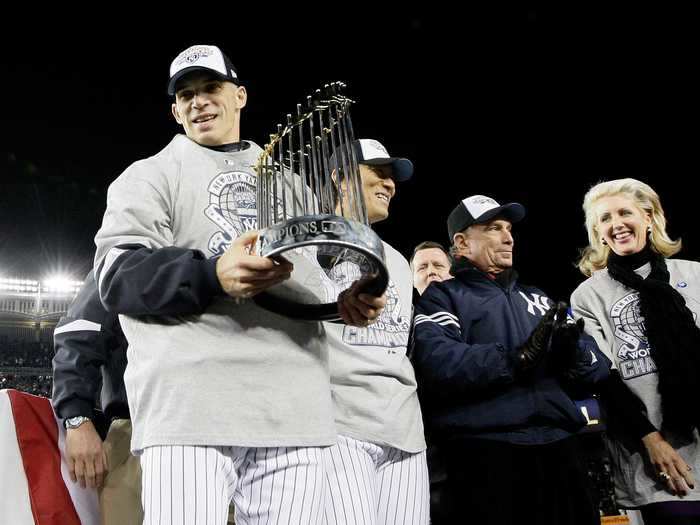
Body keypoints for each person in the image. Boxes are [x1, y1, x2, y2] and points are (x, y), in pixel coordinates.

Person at [92, 44, 383, 525]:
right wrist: (211, 274)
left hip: (294, 406)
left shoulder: (290, 184)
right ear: (174, 110)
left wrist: (342, 303)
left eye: (211, 88)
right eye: (187, 94)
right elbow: (117, 278)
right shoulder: (148, 176)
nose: (200, 101)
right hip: (191, 407)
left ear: (240, 96)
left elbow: (306, 284)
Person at [412, 194, 608, 524]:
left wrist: (573, 354)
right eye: (493, 228)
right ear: (461, 243)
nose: (508, 236)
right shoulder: (442, 297)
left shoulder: (538, 297)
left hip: (562, 449)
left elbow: (596, 372)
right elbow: (437, 363)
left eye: (508, 228)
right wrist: (515, 358)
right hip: (487, 453)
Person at [571, 178, 700, 524]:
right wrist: (651, 439)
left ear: (649, 217)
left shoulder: (694, 275)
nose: (616, 225)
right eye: (604, 219)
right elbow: (604, 377)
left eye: (624, 212)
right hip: (652, 454)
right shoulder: (588, 296)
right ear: (597, 232)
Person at [321, 139, 429, 524]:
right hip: (339, 425)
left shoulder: (398, 261)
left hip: (404, 429)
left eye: (393, 177)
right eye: (378, 173)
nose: (390, 183)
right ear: (340, 177)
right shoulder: (311, 244)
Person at [52, 270, 141, 525]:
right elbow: (79, 333)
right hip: (135, 430)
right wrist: (77, 417)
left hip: (233, 429)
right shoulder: (125, 248)